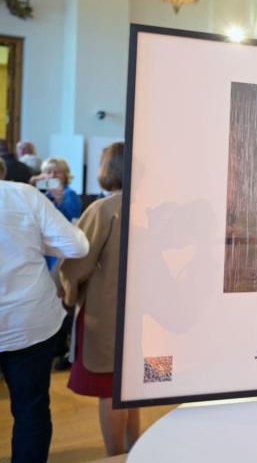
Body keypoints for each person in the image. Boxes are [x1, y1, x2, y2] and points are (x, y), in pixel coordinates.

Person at [60, 142, 141, 456]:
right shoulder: (147, 205)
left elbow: (78, 261)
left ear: (108, 168)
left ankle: (115, 456)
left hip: (107, 311)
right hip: (142, 312)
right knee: (133, 386)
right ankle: (135, 450)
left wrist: (67, 291)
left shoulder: (104, 209)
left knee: (109, 387)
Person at [1, 175, 89, 463]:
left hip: (29, 321)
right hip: (29, 320)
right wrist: (38, 243)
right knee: (31, 409)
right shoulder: (23, 195)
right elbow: (76, 246)